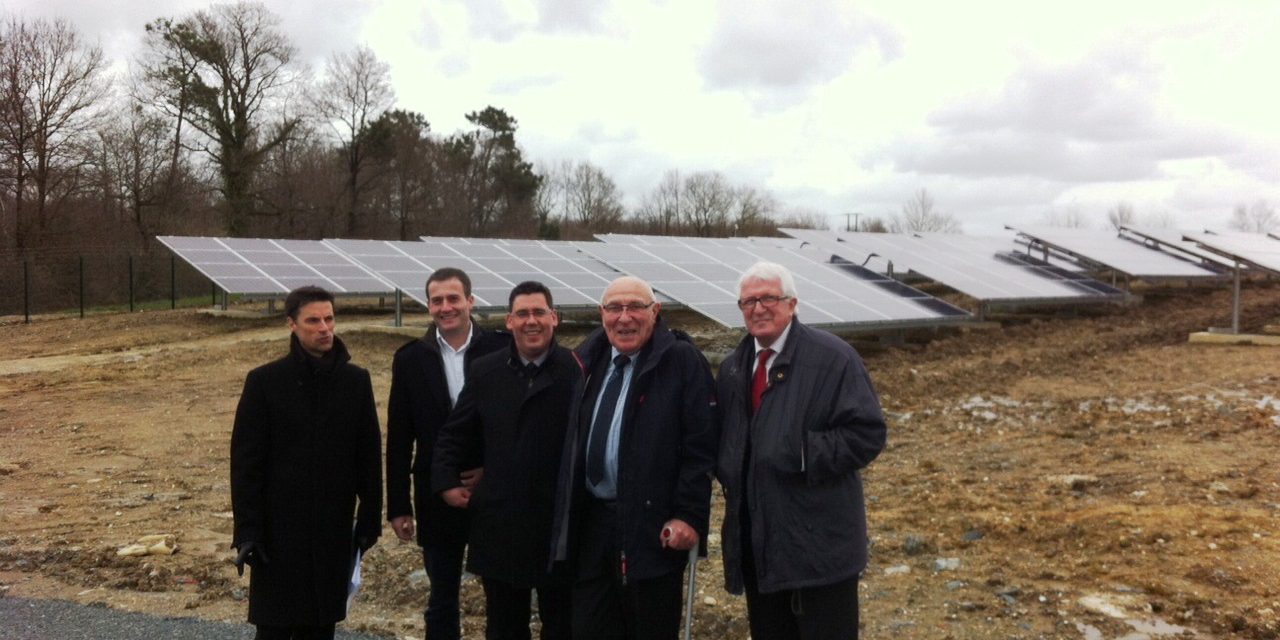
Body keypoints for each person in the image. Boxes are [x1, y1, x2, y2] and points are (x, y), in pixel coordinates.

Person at [715, 261, 887, 640]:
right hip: (760, 547)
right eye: (749, 301)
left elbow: (868, 433)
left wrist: (802, 452)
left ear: (792, 304)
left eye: (769, 299)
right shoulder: (732, 369)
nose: (758, 308)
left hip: (819, 549)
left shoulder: (833, 359)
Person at [549, 275, 719, 640]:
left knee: (648, 627)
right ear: (602, 314)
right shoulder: (586, 362)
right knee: (591, 626)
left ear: (655, 312)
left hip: (652, 525)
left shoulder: (681, 361)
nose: (624, 317)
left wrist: (689, 514)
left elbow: (701, 447)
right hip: (592, 523)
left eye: (635, 307)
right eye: (614, 308)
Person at [230, 285, 382, 640]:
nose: (324, 328)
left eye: (329, 319)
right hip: (278, 534)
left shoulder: (355, 382)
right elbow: (245, 464)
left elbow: (369, 456)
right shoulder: (265, 382)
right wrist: (248, 531)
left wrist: (370, 517)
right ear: (292, 325)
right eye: (313, 320)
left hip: (332, 529)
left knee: (320, 626)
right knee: (276, 628)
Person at [433, 281, 576, 640]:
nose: (532, 321)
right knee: (504, 627)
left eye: (539, 312)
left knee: (563, 625)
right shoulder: (486, 371)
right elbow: (455, 433)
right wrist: (447, 481)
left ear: (554, 318)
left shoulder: (577, 372)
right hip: (501, 524)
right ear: (509, 321)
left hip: (559, 527)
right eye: (522, 314)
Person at [386, 267, 510, 640]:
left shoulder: (502, 349)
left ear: (470, 302)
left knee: (502, 595)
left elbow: (514, 425)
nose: (446, 307)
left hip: (493, 492)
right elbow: (399, 437)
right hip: (434, 495)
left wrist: (492, 470)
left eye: (453, 298)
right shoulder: (409, 359)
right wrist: (398, 506)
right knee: (442, 597)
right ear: (428, 306)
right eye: (437, 300)